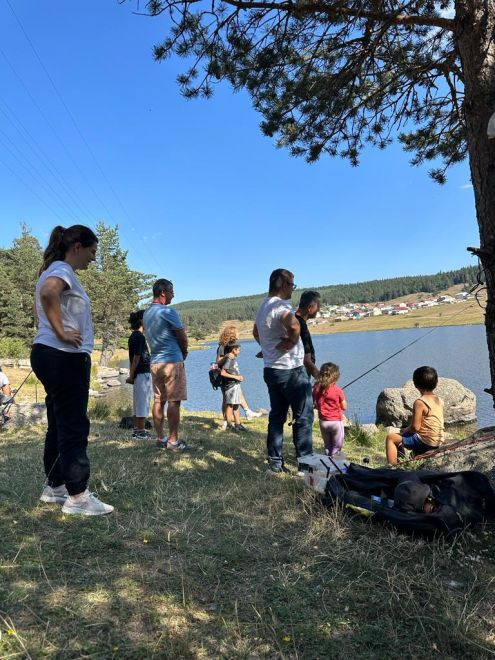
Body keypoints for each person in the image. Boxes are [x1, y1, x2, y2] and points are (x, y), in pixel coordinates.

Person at [30, 225, 114, 516]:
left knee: (59, 421)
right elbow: (48, 294)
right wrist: (62, 332)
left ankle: (56, 486)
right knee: (74, 424)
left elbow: (45, 300)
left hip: (48, 354)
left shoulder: (53, 269)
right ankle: (77, 497)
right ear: (77, 246)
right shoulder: (62, 270)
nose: (93, 258)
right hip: (64, 356)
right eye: (92, 251)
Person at [253, 268, 314, 473]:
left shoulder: (263, 306)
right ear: (281, 284)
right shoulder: (280, 306)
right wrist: (292, 340)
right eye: (291, 285)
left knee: (277, 416)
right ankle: (306, 465)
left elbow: (255, 331)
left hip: (271, 370)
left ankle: (275, 463)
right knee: (303, 417)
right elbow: (295, 326)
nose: (292, 290)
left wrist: (267, 347)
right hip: (291, 371)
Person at [143, 278, 192, 451]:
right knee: (174, 401)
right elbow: (182, 336)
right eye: (171, 291)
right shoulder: (168, 311)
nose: (173, 295)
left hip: (155, 363)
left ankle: (160, 438)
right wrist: (184, 352)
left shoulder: (146, 313)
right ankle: (173, 441)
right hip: (171, 362)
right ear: (163, 292)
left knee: (158, 400)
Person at [386, 366, 445, 465]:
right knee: (402, 437)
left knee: (391, 438)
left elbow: (415, 427)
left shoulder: (419, 402)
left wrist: (405, 430)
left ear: (415, 384)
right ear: (436, 383)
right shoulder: (439, 400)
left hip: (426, 441)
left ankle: (392, 467)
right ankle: (401, 462)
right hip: (438, 440)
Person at [217, 325, 262, 428]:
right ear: (231, 334)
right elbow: (218, 361)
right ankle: (227, 421)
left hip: (233, 378)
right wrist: (227, 356)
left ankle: (240, 419)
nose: (238, 334)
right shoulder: (222, 347)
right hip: (226, 378)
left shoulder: (232, 345)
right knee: (227, 400)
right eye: (237, 333)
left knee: (235, 399)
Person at [126, 310, 152, 439]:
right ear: (142, 321)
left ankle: (137, 429)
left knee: (137, 402)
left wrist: (132, 374)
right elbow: (136, 358)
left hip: (139, 373)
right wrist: (131, 376)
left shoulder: (134, 336)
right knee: (142, 402)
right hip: (142, 373)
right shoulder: (139, 337)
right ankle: (141, 431)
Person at [312, 362, 347, 456]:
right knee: (337, 447)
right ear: (336, 377)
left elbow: (315, 404)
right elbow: (344, 407)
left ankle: (327, 460)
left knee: (327, 446)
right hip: (336, 423)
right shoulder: (338, 390)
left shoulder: (316, 389)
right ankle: (336, 463)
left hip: (323, 422)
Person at [220, 341, 247, 433]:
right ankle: (229, 425)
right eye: (238, 350)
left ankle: (238, 424)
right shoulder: (229, 358)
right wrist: (236, 377)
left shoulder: (233, 358)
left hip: (235, 385)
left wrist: (239, 377)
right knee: (230, 405)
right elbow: (223, 373)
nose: (239, 351)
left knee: (236, 405)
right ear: (233, 350)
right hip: (230, 386)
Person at [295, 290, 321, 379]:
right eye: (318, 306)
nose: (319, 309)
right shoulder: (300, 325)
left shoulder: (293, 321)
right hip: (300, 376)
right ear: (310, 307)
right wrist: (322, 381)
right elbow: (306, 360)